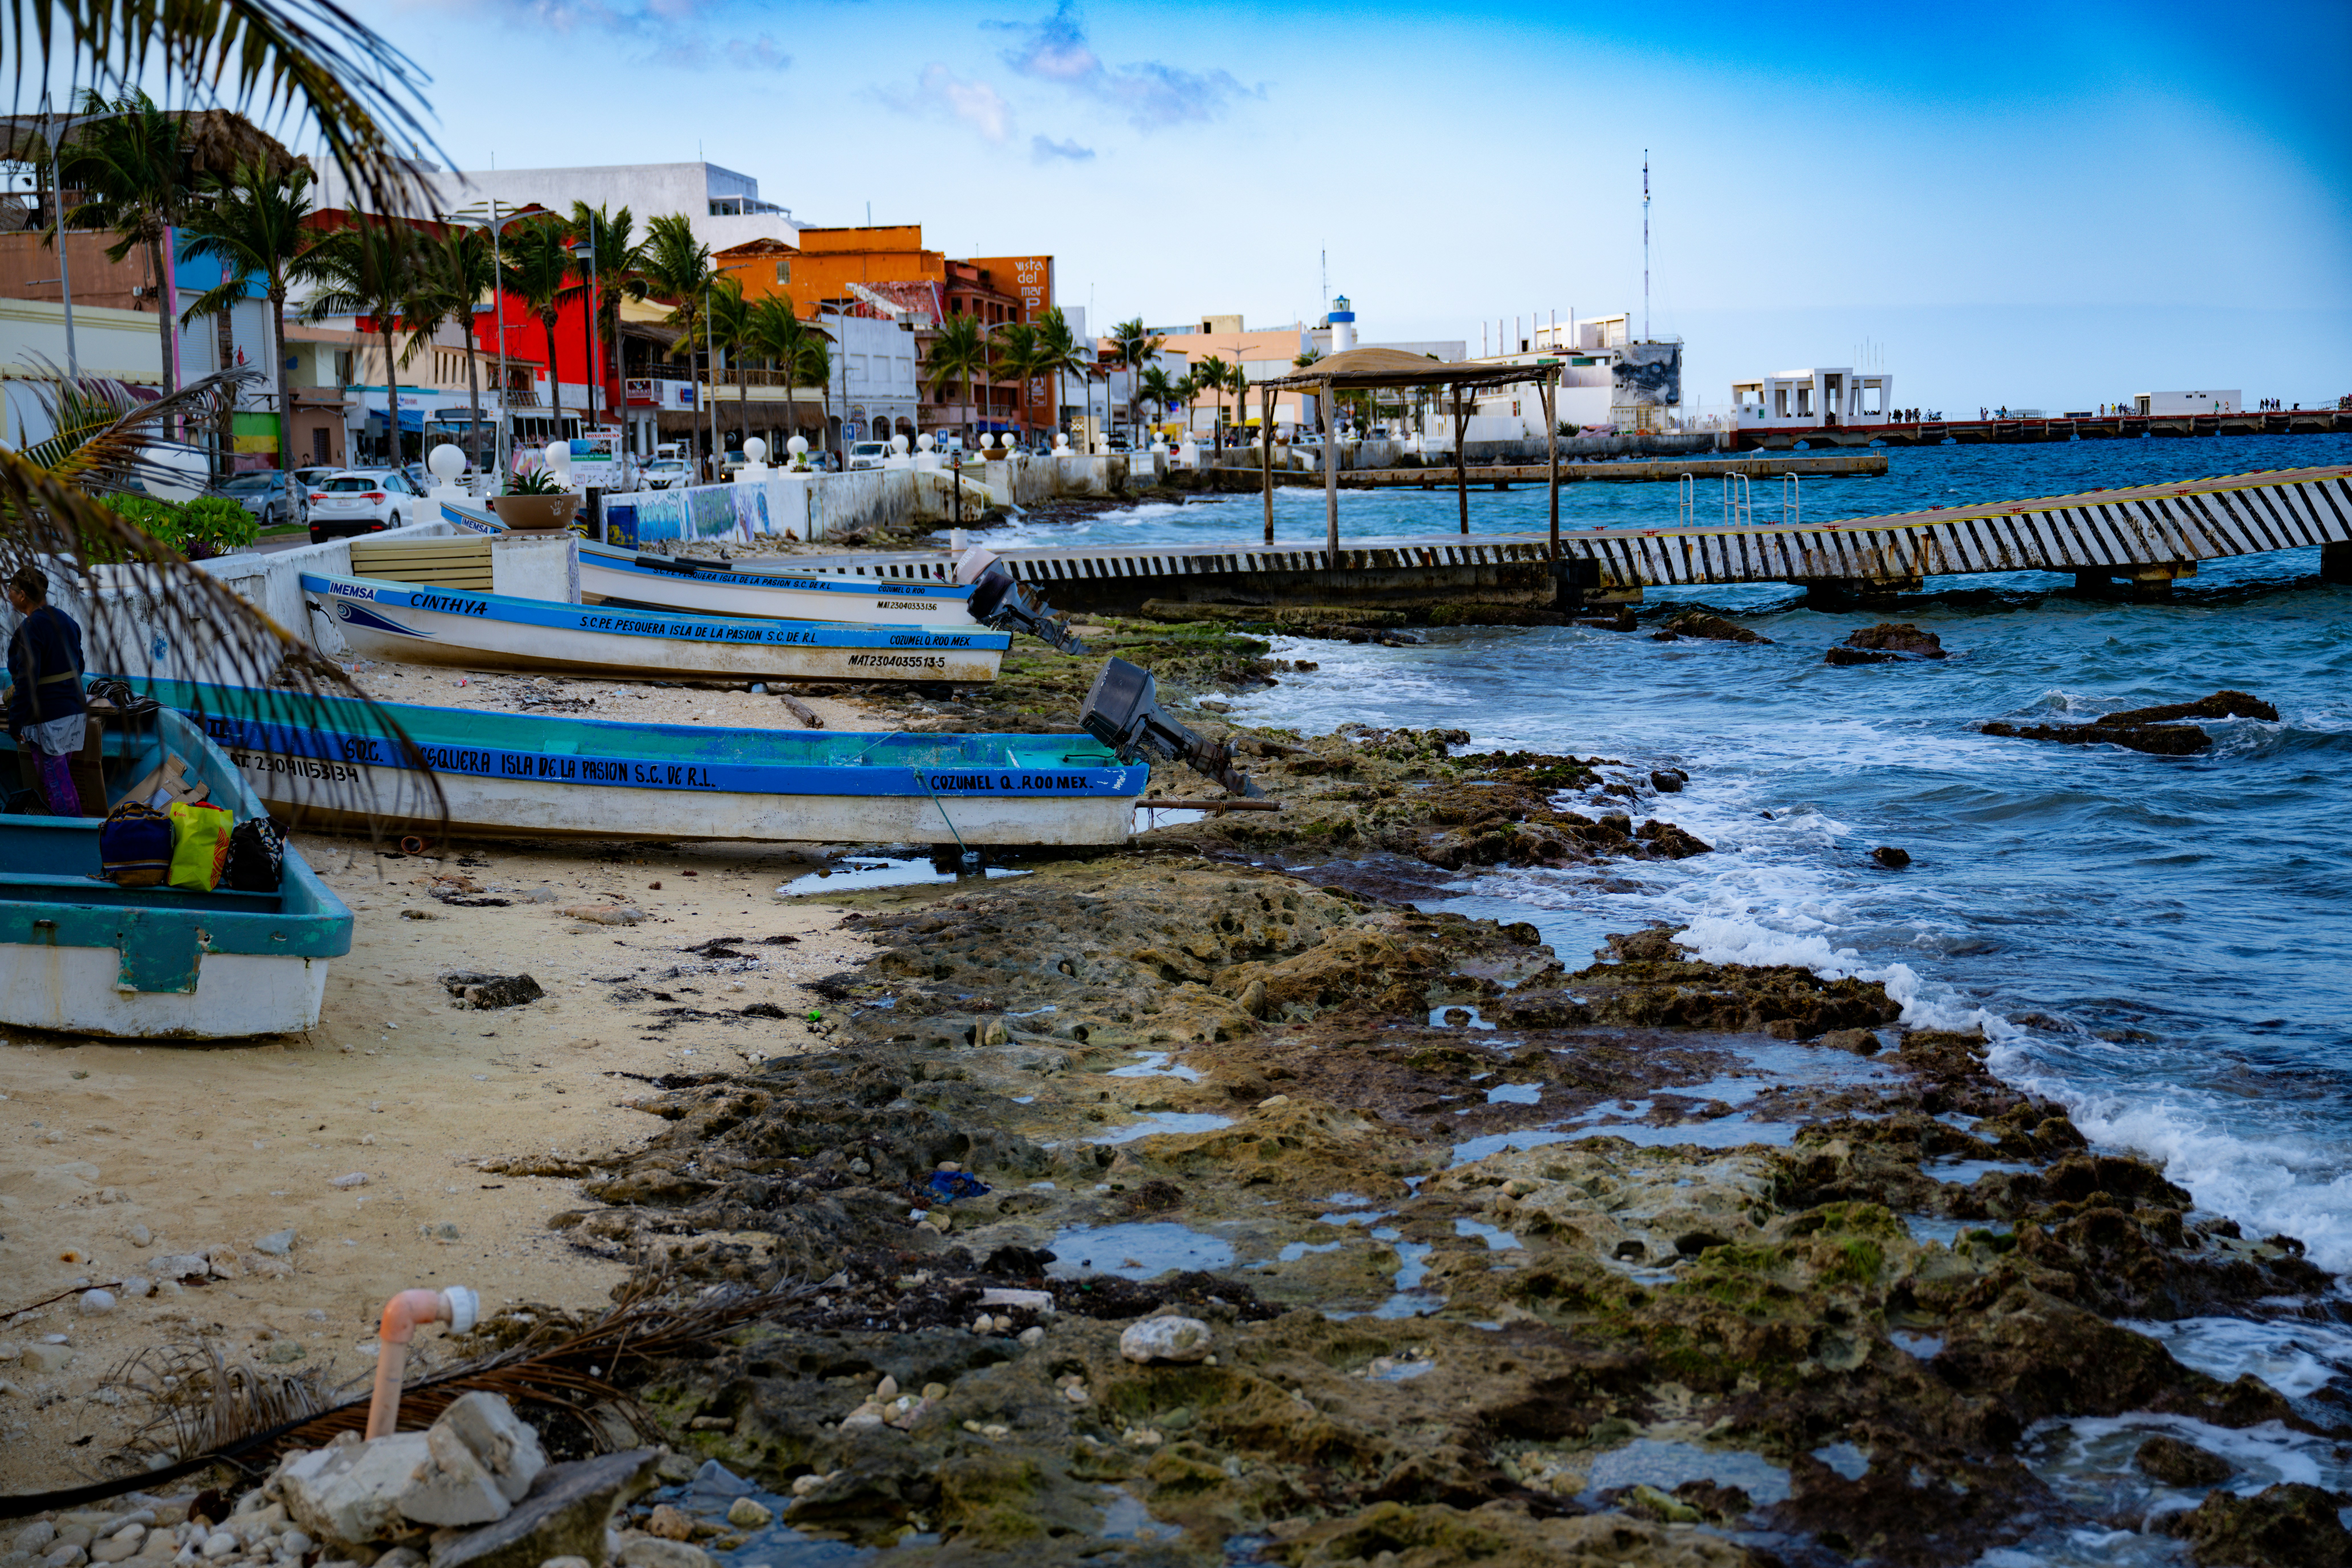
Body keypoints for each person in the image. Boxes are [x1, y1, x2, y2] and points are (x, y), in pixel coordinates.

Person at [5, 564, 88, 816]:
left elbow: (28, 681)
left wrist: (15, 723)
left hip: (48, 721)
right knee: (62, 780)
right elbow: (80, 666)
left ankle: (72, 839)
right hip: (74, 714)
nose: (8, 594)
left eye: (11, 589)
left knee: (56, 787)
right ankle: (76, 831)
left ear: (22, 596)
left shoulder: (31, 629)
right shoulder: (66, 620)